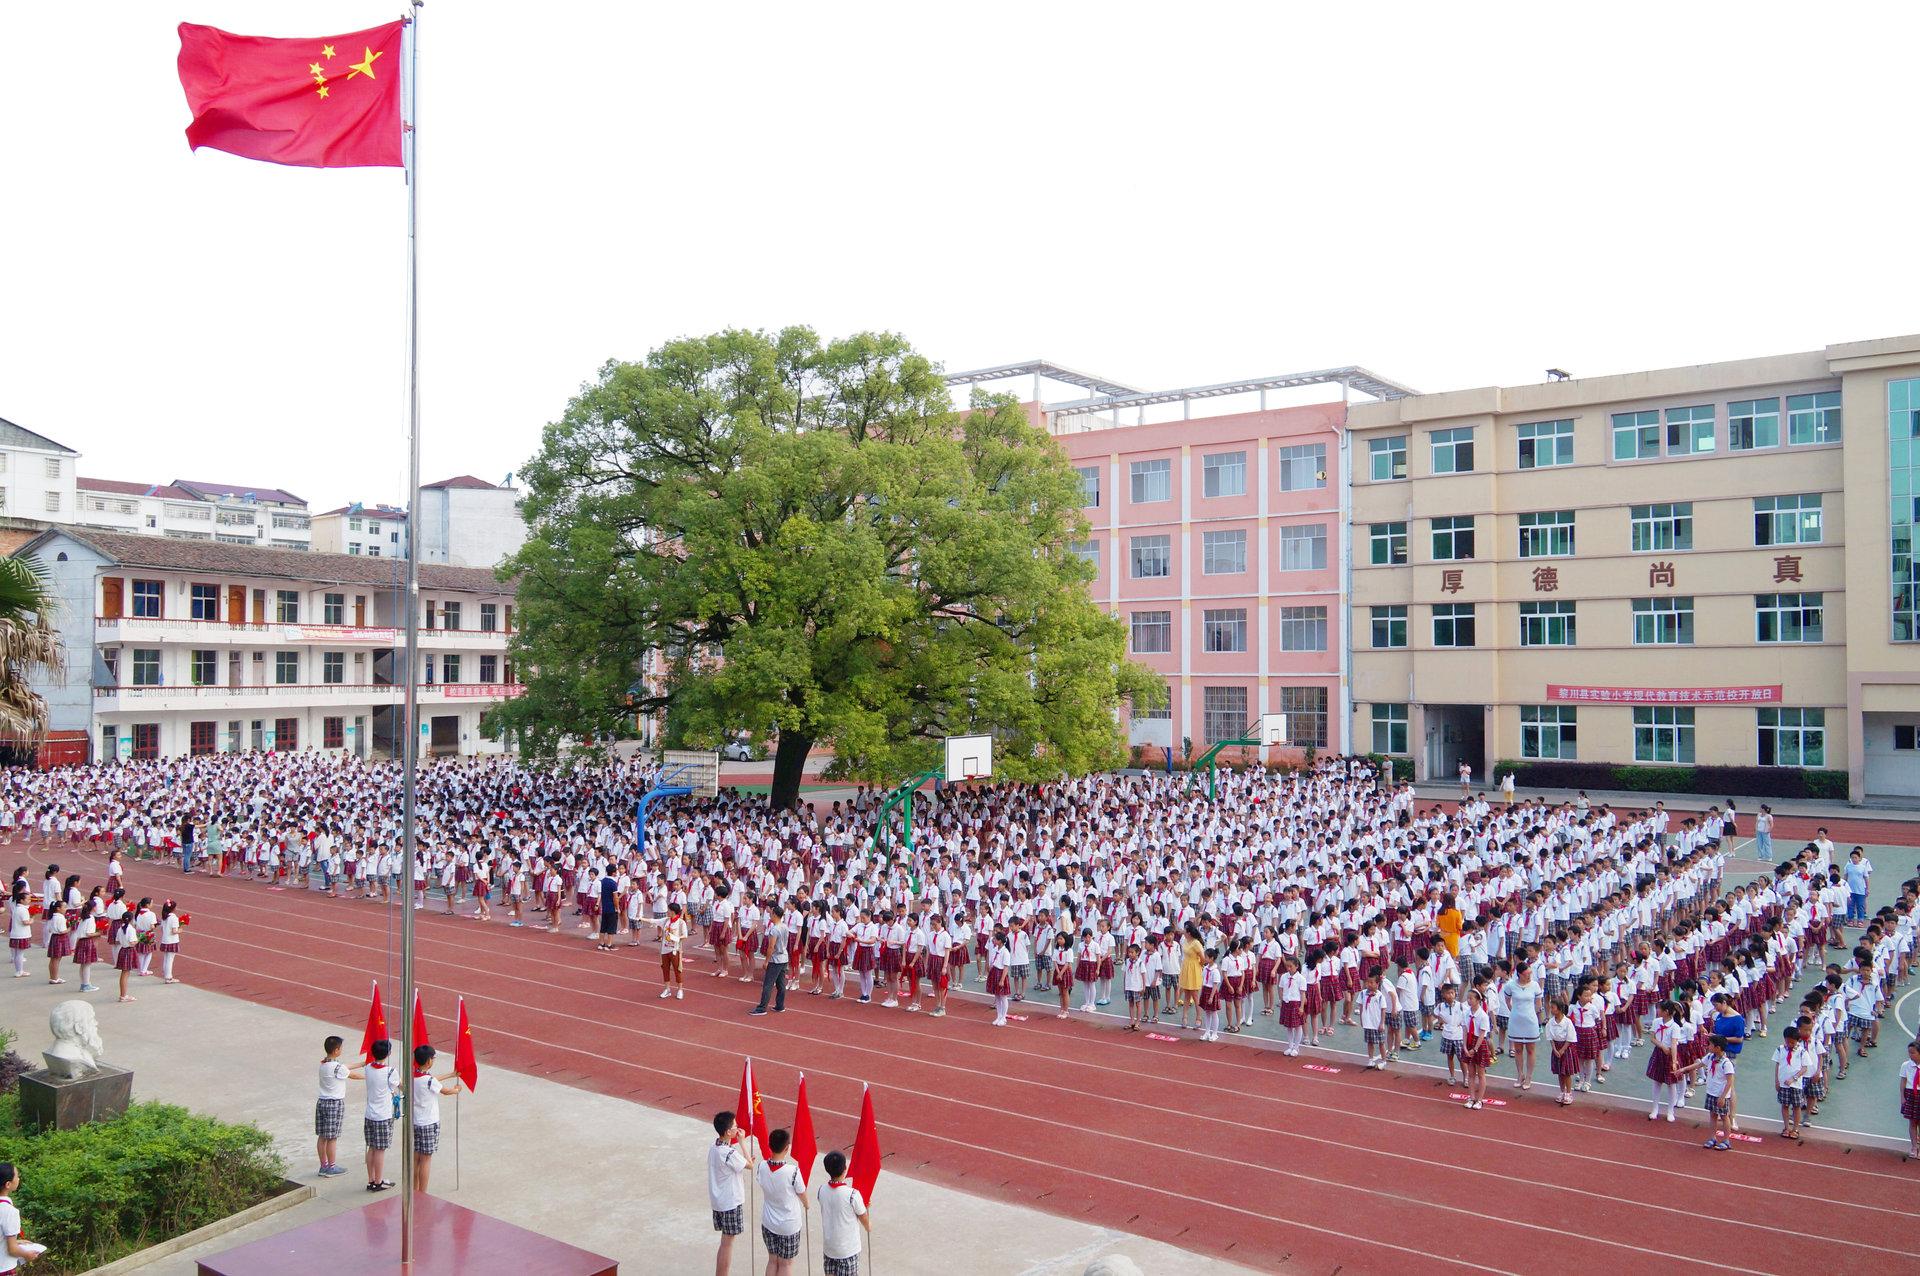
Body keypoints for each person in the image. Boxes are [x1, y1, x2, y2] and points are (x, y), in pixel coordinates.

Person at [755, 1127, 806, 1276]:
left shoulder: (762, 1166)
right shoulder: (792, 1171)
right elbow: (801, 1192)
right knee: (786, 1263)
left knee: (772, 1260)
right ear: (787, 1148)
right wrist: (806, 1204)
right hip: (788, 1224)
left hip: (769, 1221)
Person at [410, 1043, 462, 1192]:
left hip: (416, 1121)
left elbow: (433, 1079)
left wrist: (450, 1074)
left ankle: (415, 1189)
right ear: (428, 1061)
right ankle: (423, 1192)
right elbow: (445, 1091)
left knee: (416, 1158)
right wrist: (456, 1090)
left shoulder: (414, 1076)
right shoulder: (429, 1081)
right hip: (428, 1122)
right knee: (426, 1159)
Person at [708, 1111, 752, 1276]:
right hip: (730, 1202)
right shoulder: (729, 1153)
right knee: (728, 1243)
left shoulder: (715, 1148)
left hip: (719, 1201)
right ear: (728, 1132)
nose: (737, 1128)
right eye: (734, 1126)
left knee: (724, 1242)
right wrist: (742, 1142)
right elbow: (749, 1165)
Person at [316, 1035, 362, 1178]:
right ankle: (332, 1167)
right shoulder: (337, 1067)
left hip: (322, 1102)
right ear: (336, 1050)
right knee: (332, 1137)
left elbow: (344, 1067)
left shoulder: (324, 1063)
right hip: (334, 1104)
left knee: (322, 1136)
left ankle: (323, 1165)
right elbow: (352, 1075)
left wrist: (362, 1063)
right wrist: (369, 1076)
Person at [817, 1149, 869, 1276]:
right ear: (845, 1168)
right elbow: (863, 1217)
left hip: (830, 1248)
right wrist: (868, 1225)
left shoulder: (821, 1190)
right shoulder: (852, 1194)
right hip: (848, 1250)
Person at [1687, 1034, 1736, 1151]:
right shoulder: (1710, 1057)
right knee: (1713, 1115)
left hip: (1721, 1094)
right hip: (1711, 1092)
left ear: (1717, 1048)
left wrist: (1723, 1097)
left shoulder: (1726, 1063)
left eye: (1710, 1044)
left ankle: (1726, 1140)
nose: (1708, 1046)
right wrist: (1684, 1069)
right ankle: (1712, 1138)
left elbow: (1730, 1082)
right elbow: (1699, 1064)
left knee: (1724, 1117)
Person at [362, 1039, 398, 1192]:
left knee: (371, 1147)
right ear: (388, 1053)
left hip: (370, 1114)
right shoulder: (390, 1071)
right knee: (380, 1149)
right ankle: (378, 1181)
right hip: (383, 1115)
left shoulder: (368, 1068)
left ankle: (371, 1179)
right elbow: (397, 1085)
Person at [0, 1162, 42, 1272]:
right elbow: (12, 1250)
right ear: (8, 1184)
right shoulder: (9, 1211)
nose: (18, 1179)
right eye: (17, 1176)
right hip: (4, 1269)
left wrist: (16, 1242)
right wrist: (28, 1254)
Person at [751, 905, 790, 1016]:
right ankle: (780, 1005)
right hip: (784, 957)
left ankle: (762, 1008)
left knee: (768, 984)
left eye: (771, 914)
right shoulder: (784, 927)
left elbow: (771, 947)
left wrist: (766, 961)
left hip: (775, 959)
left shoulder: (774, 929)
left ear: (775, 915)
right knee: (781, 983)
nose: (769, 916)